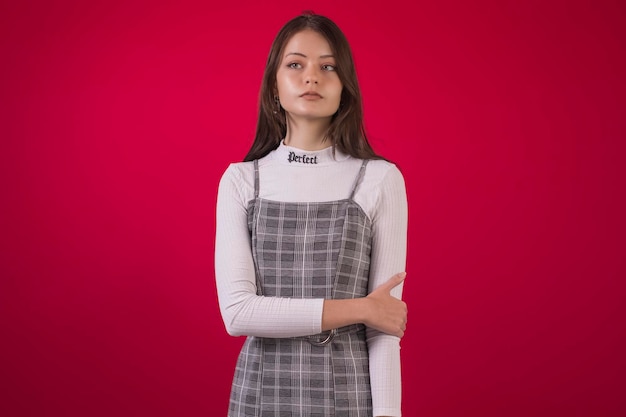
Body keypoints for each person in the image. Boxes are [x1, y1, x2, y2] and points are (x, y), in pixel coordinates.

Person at [215, 12, 408, 417]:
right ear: (274, 85)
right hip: (259, 395)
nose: (311, 77)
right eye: (295, 64)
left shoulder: (378, 179)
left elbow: (384, 328)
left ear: (345, 88)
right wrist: (359, 308)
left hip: (348, 395)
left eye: (328, 67)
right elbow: (238, 313)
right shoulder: (242, 181)